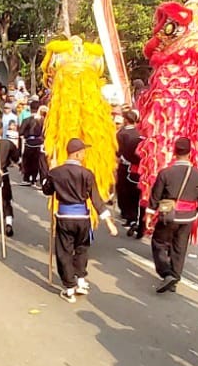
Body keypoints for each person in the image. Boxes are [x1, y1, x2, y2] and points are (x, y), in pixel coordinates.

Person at [42, 138, 109, 303]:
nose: (84, 154)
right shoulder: (87, 173)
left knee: (64, 251)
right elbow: (95, 198)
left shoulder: (56, 172)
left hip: (65, 216)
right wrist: (106, 218)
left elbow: (46, 190)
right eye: (83, 151)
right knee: (81, 249)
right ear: (77, 153)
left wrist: (48, 174)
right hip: (82, 218)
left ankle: (70, 287)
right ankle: (79, 280)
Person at [149, 136, 198, 293]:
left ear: (174, 152)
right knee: (179, 247)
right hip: (188, 217)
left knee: (159, 243)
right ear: (190, 153)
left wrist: (149, 212)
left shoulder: (165, 173)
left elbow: (155, 196)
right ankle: (175, 277)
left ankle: (166, 273)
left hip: (169, 215)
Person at [0, 119, 21, 237]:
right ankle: (8, 222)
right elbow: (17, 159)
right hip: (3, 175)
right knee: (6, 201)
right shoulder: (8, 144)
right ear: (1, 130)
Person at [116, 109, 144, 236]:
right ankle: (138, 220)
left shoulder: (122, 133)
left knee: (125, 192)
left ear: (126, 120)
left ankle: (130, 217)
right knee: (139, 196)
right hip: (141, 169)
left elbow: (118, 151)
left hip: (126, 166)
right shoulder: (139, 134)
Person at [20, 104, 46, 185]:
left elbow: (21, 132)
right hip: (39, 142)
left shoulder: (26, 120)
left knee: (27, 161)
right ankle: (34, 179)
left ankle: (26, 178)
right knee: (36, 162)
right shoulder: (43, 121)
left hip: (28, 142)